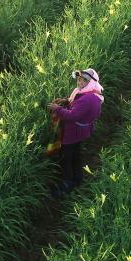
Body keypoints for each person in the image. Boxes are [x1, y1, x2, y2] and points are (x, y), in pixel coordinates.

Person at [47, 68, 103, 198]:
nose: (80, 83)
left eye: (84, 81)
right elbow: (78, 105)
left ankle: (67, 184)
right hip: (82, 130)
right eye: (79, 79)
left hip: (73, 131)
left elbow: (72, 116)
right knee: (76, 153)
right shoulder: (92, 93)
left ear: (91, 82)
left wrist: (57, 109)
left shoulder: (87, 99)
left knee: (66, 157)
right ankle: (78, 178)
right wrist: (66, 101)